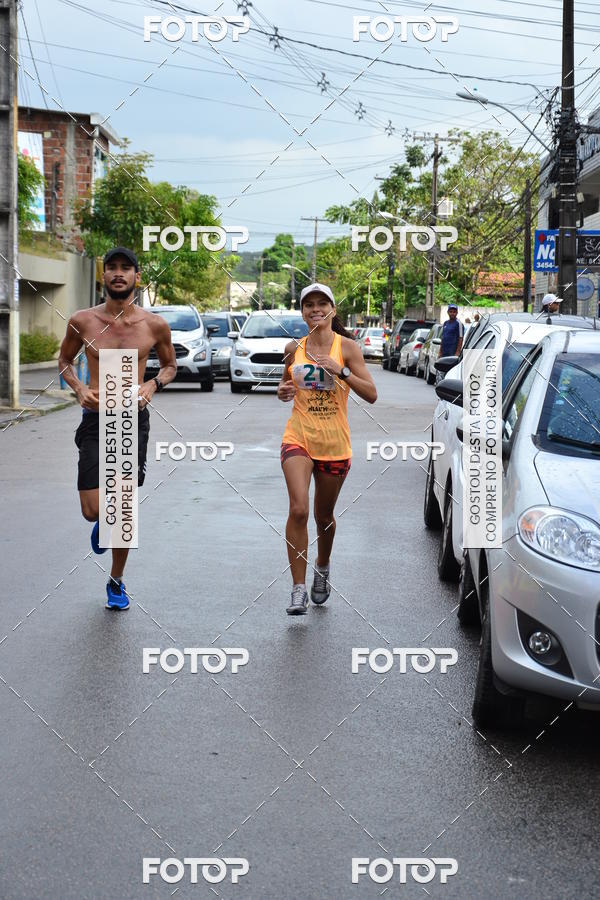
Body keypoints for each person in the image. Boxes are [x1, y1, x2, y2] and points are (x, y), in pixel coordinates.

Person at [58, 248, 176, 610]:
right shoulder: (83, 321)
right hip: (96, 419)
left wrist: (151, 386)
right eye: (112, 268)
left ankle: (116, 581)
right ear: (104, 276)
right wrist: (79, 389)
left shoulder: (154, 325)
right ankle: (103, 521)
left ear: (137, 277)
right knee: (93, 511)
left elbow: (170, 367)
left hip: (131, 419)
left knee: (123, 506)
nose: (119, 274)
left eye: (126, 268)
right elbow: (64, 360)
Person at [277, 283, 377, 615]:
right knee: (299, 510)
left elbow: (372, 394)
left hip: (335, 444)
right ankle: (297, 589)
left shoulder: (347, 348)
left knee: (323, 517)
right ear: (302, 312)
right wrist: (283, 390)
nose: (315, 310)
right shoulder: (295, 347)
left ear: (333, 310)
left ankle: (323, 565)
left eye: (322, 304)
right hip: (298, 437)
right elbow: (285, 381)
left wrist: (341, 370)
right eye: (309, 305)